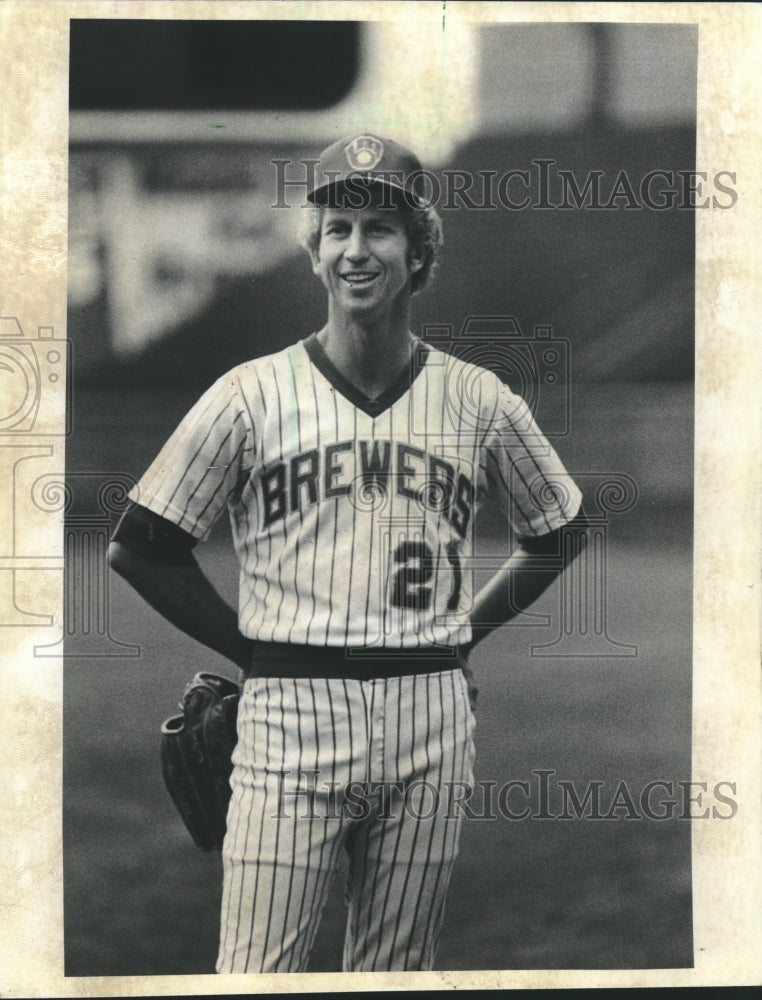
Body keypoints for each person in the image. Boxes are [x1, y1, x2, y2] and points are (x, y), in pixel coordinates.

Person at [108, 133, 585, 973]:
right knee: (255, 973)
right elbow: (142, 546)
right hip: (289, 714)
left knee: (396, 970)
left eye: (380, 229)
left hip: (431, 712)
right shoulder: (250, 393)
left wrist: (464, 633)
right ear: (315, 252)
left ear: (419, 250)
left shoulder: (478, 398)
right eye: (337, 230)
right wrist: (247, 649)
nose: (357, 250)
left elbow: (560, 530)